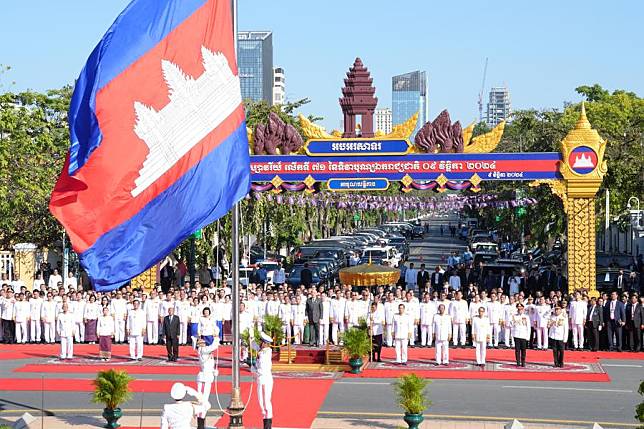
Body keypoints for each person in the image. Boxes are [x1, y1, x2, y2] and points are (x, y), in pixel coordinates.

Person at [252, 332, 274, 429]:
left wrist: (254, 369)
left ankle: (268, 426)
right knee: (261, 403)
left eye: (261, 341)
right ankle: (265, 423)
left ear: (265, 343)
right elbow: (253, 345)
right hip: (260, 380)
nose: (260, 343)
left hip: (265, 379)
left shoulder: (266, 352)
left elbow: (262, 368)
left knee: (266, 403)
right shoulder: (262, 350)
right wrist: (251, 335)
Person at [511, 303, 530, 367]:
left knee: (523, 349)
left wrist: (528, 337)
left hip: (523, 335)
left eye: (521, 309)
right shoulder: (514, 316)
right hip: (516, 335)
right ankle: (518, 362)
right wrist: (513, 334)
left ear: (523, 310)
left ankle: (523, 361)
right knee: (517, 350)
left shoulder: (526, 317)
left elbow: (528, 327)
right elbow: (512, 326)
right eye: (519, 310)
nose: (520, 311)